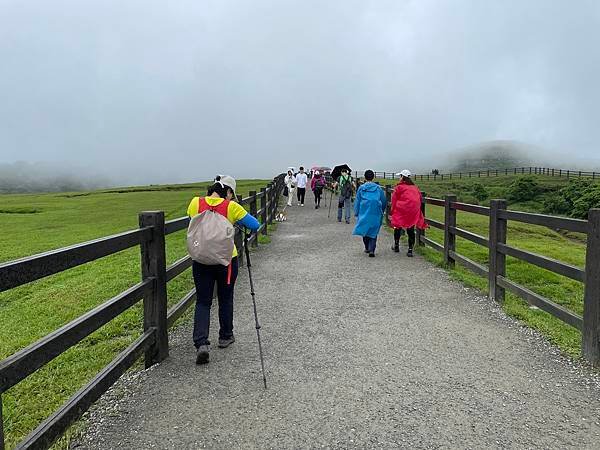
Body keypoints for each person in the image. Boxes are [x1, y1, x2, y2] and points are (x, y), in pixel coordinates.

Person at [186, 176, 260, 364]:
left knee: (203, 301)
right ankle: (225, 335)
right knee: (226, 298)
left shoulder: (196, 203)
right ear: (227, 192)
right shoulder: (231, 207)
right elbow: (254, 224)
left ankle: (201, 343)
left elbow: (193, 221)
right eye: (231, 194)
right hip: (226, 260)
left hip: (201, 259)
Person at [389, 169, 428, 257]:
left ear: (402, 177)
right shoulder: (415, 188)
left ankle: (396, 245)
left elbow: (394, 199)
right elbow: (420, 198)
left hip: (402, 208)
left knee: (397, 226)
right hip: (413, 210)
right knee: (410, 228)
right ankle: (410, 250)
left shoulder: (399, 187)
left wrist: (393, 210)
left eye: (400, 176)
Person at [353, 170, 387, 257]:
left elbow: (357, 200)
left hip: (364, 211)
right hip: (375, 212)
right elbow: (383, 200)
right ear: (373, 177)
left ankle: (367, 247)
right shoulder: (378, 188)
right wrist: (382, 211)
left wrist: (356, 212)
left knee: (365, 229)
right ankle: (372, 249)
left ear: (365, 177)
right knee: (373, 230)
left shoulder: (361, 188)